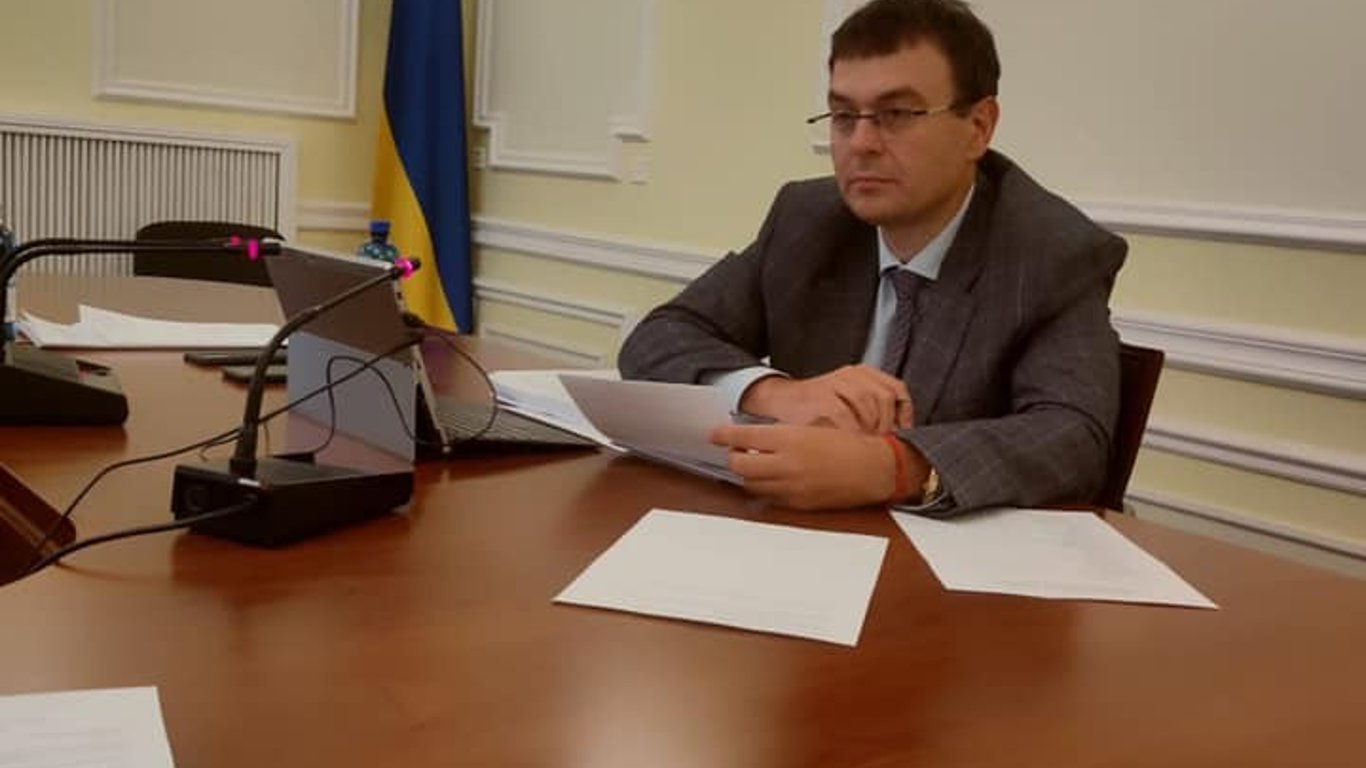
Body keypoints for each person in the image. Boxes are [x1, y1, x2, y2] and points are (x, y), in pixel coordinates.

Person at [618, 0, 1126, 514]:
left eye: (896, 114)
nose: (860, 144)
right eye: (844, 116)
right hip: (792, 534)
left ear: (978, 126)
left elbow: (1073, 437)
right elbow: (659, 337)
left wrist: (895, 466)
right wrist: (776, 394)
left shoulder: (1051, 252)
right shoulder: (806, 221)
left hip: (938, 555)